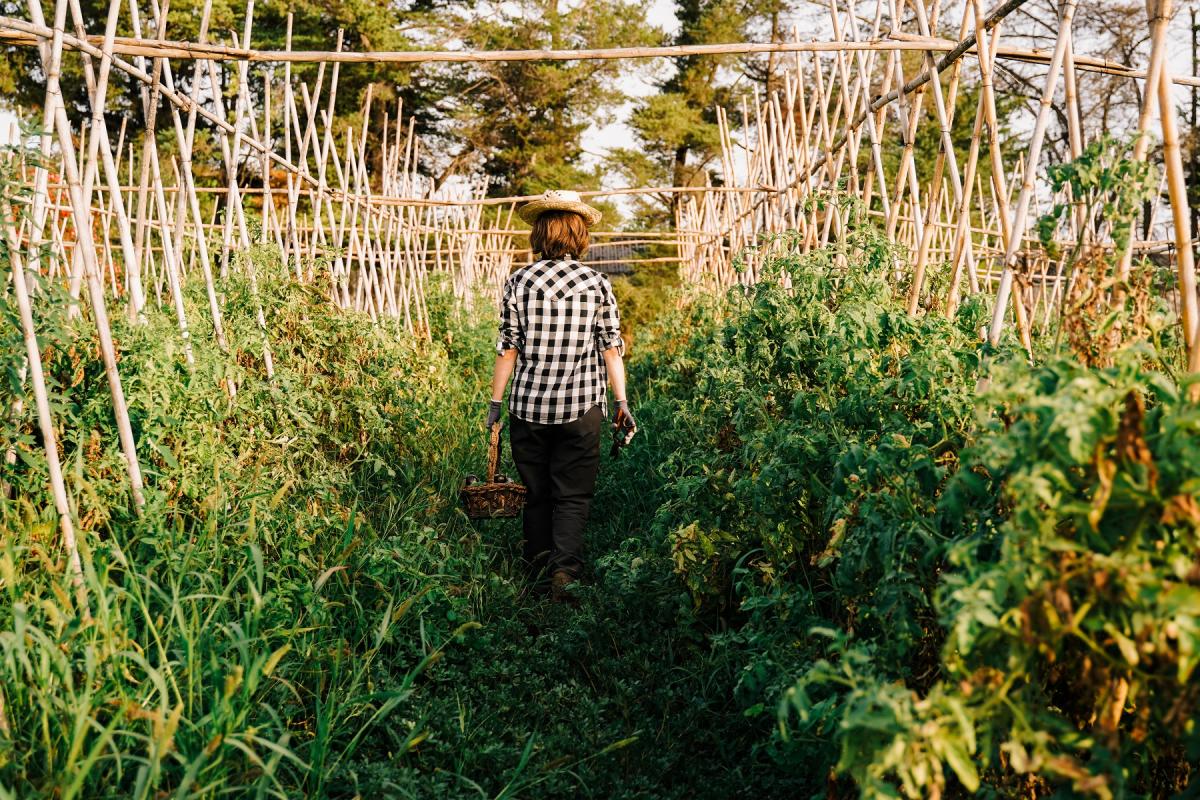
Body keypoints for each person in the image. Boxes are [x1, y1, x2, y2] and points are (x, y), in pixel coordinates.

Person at [486, 189, 637, 601]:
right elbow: (611, 348)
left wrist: (496, 405)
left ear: (539, 233)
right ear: (579, 235)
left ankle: (535, 572)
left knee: (536, 493)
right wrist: (621, 403)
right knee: (572, 495)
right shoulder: (597, 283)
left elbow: (508, 347)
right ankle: (565, 574)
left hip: (529, 406)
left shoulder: (519, 281)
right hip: (582, 407)